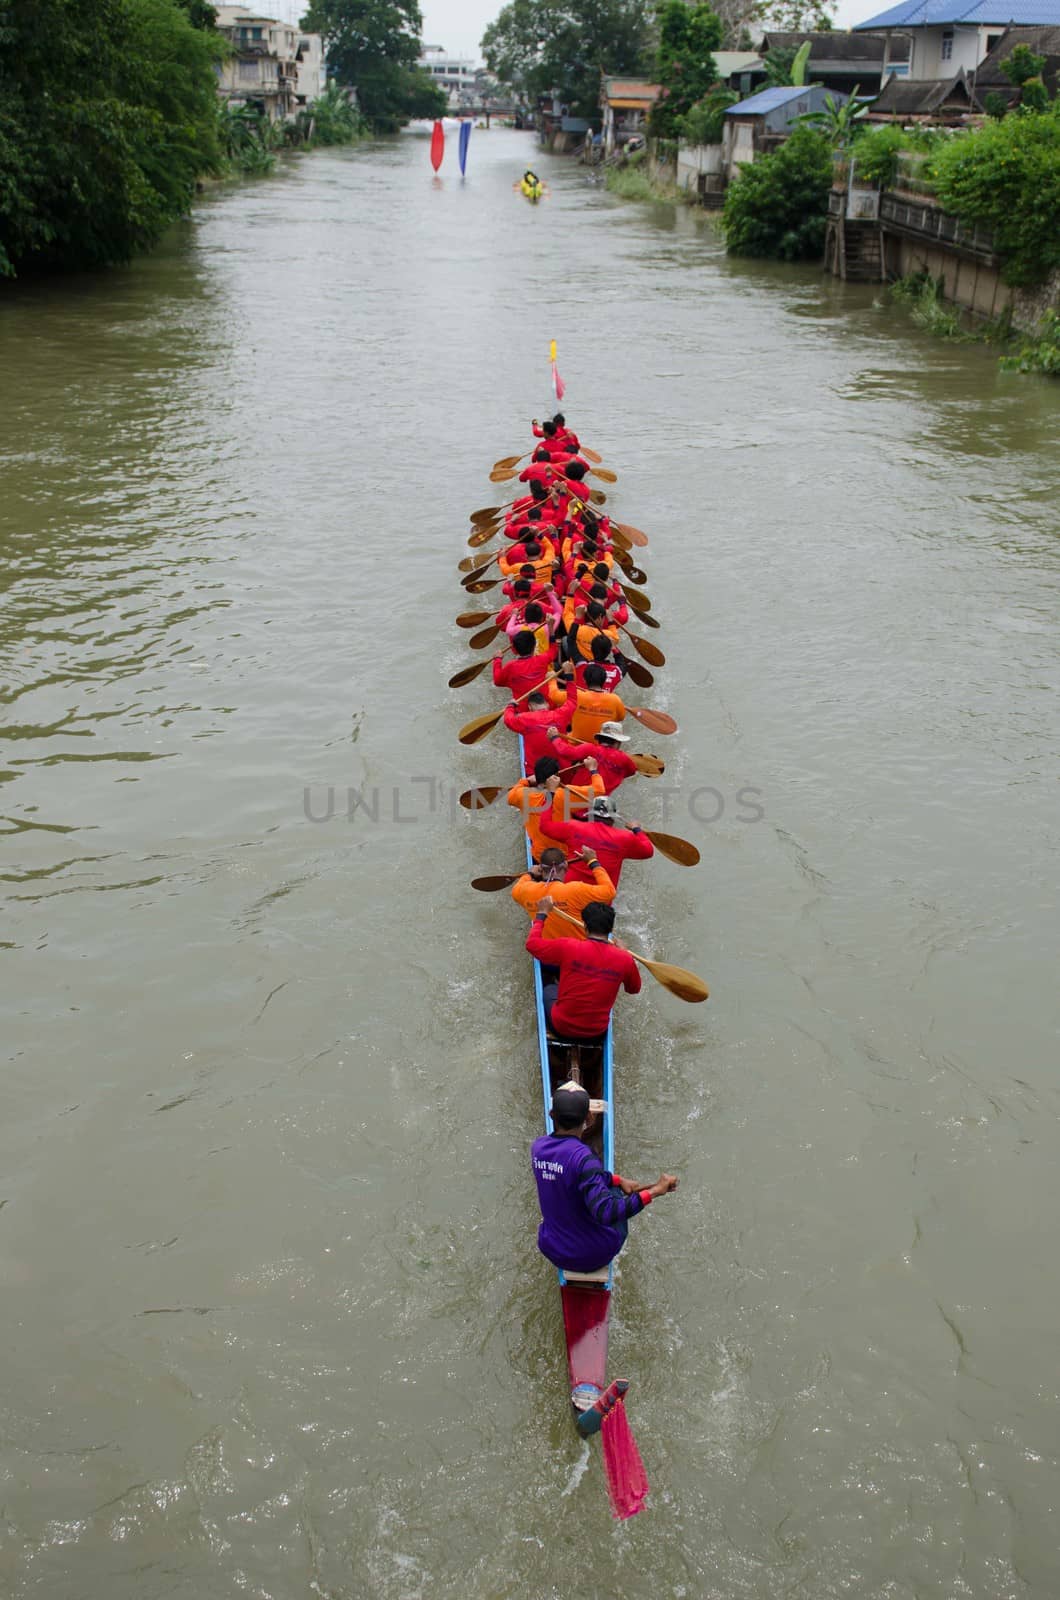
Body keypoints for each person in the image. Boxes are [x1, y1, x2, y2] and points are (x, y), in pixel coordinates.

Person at [531, 1079, 677, 1274]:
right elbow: (607, 1213)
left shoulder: (537, 1148)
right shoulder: (584, 1157)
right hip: (593, 1255)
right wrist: (655, 1191)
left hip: (552, 1250)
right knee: (614, 1196)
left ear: (551, 1116)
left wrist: (617, 1179)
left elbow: (568, 1172)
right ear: (589, 1119)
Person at [539, 792, 653, 888]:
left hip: (570, 891)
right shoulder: (625, 838)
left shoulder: (573, 827)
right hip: (601, 899)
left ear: (591, 815)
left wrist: (550, 795)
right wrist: (637, 830)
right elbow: (648, 851)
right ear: (613, 818)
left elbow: (544, 826)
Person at [511, 847, 614, 940]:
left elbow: (516, 889)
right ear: (565, 865)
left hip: (548, 951)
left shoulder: (526, 890)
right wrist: (593, 862)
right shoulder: (576, 890)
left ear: (541, 869)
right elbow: (610, 892)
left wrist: (530, 874)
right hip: (577, 950)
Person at [508, 765, 604, 861]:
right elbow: (599, 790)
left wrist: (526, 781)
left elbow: (510, 796)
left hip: (539, 856)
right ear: (556, 778)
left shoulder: (522, 796)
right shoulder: (564, 794)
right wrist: (593, 769)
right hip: (564, 856)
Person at [549, 720, 640, 795]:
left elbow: (566, 752)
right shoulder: (625, 759)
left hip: (576, 796)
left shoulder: (590, 748)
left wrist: (555, 738)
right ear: (617, 742)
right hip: (600, 802)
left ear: (600, 738)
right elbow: (631, 771)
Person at [503, 687, 576, 773]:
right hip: (562, 768)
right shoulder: (560, 715)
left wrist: (510, 707)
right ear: (547, 704)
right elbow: (572, 701)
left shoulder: (523, 718)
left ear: (529, 707)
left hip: (535, 771)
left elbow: (508, 720)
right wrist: (569, 678)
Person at [492, 630, 557, 702]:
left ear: (514, 650)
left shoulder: (511, 666)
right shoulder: (542, 659)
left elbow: (497, 681)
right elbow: (553, 649)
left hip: (521, 709)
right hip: (545, 704)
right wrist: (551, 631)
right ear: (535, 645)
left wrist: (497, 660)